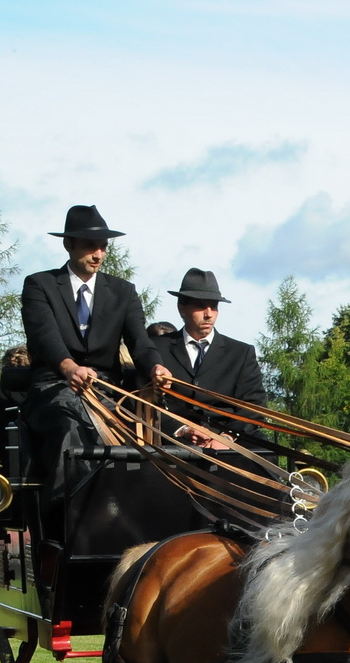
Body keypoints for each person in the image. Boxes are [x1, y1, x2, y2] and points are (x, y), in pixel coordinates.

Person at [19, 205, 162, 524]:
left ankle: (133, 517)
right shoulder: (40, 285)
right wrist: (69, 368)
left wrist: (156, 368)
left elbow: (140, 342)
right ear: (68, 244)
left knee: (145, 434)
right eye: (89, 246)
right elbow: (44, 336)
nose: (98, 254)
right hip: (54, 388)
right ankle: (65, 521)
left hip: (106, 393)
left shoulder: (123, 292)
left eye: (103, 246)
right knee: (70, 427)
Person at [150, 269, 267, 447]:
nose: (209, 314)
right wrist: (181, 429)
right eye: (201, 306)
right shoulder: (157, 348)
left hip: (231, 447)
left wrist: (227, 437)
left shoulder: (241, 353)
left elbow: (254, 405)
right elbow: (137, 397)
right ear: (182, 309)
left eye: (214, 306)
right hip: (170, 446)